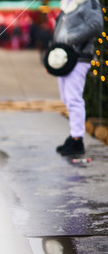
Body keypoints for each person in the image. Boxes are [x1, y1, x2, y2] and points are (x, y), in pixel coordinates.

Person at [53, 0, 103, 155]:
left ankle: (77, 139)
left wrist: (71, 38)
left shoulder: (89, 2)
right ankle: (74, 135)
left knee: (74, 99)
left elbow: (96, 24)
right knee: (67, 99)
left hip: (78, 58)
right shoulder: (68, 3)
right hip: (64, 58)